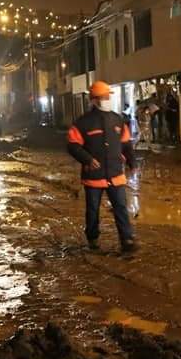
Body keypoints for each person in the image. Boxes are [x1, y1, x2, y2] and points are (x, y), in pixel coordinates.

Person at [67, 81, 138, 253]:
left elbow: (126, 144)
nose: (107, 99)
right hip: (94, 175)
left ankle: (127, 239)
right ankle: (92, 238)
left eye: (108, 96)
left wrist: (132, 163)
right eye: (104, 97)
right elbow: (73, 145)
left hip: (115, 173)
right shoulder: (83, 123)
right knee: (92, 210)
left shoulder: (118, 120)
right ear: (94, 100)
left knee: (120, 207)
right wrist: (87, 159)